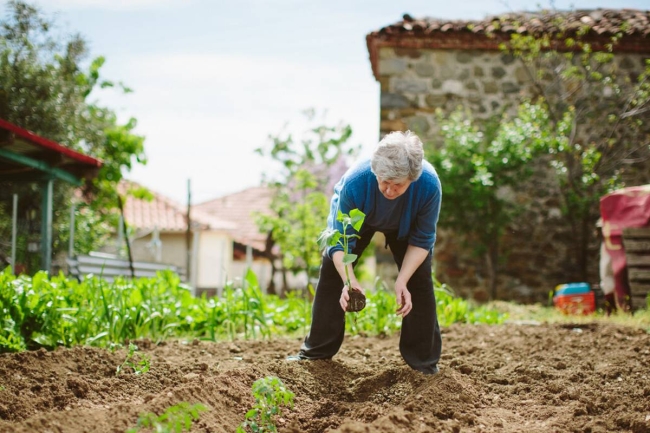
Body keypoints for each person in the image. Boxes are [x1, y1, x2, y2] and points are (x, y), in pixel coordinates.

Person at [289, 130, 443, 374]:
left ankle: (423, 363)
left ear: (412, 179)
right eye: (384, 182)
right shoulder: (356, 182)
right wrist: (349, 281)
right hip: (358, 222)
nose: (389, 191)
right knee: (332, 274)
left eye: (398, 185)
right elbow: (338, 241)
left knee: (419, 282)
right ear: (375, 172)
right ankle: (316, 353)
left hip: (406, 224)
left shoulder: (429, 186)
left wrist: (402, 280)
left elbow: (423, 240)